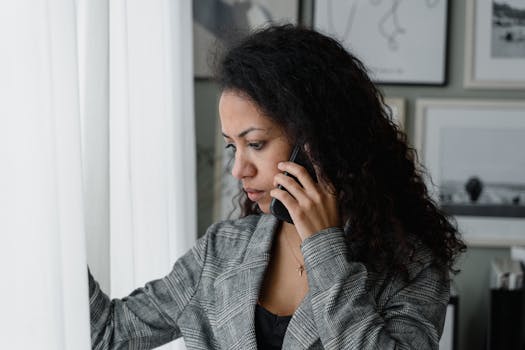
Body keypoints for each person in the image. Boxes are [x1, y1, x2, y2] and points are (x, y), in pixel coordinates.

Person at [89, 24, 466, 350]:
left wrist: (325, 248)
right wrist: (51, 225)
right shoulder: (221, 253)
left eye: (255, 144)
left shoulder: (410, 267)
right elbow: (107, 334)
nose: (238, 169)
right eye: (231, 146)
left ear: (316, 142)